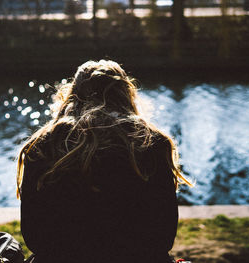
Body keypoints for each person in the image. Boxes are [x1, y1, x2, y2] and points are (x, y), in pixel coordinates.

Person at [17, 60, 192, 263]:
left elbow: (35, 237)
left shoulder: (43, 145)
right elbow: (163, 236)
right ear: (127, 94)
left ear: (72, 94)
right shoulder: (152, 143)